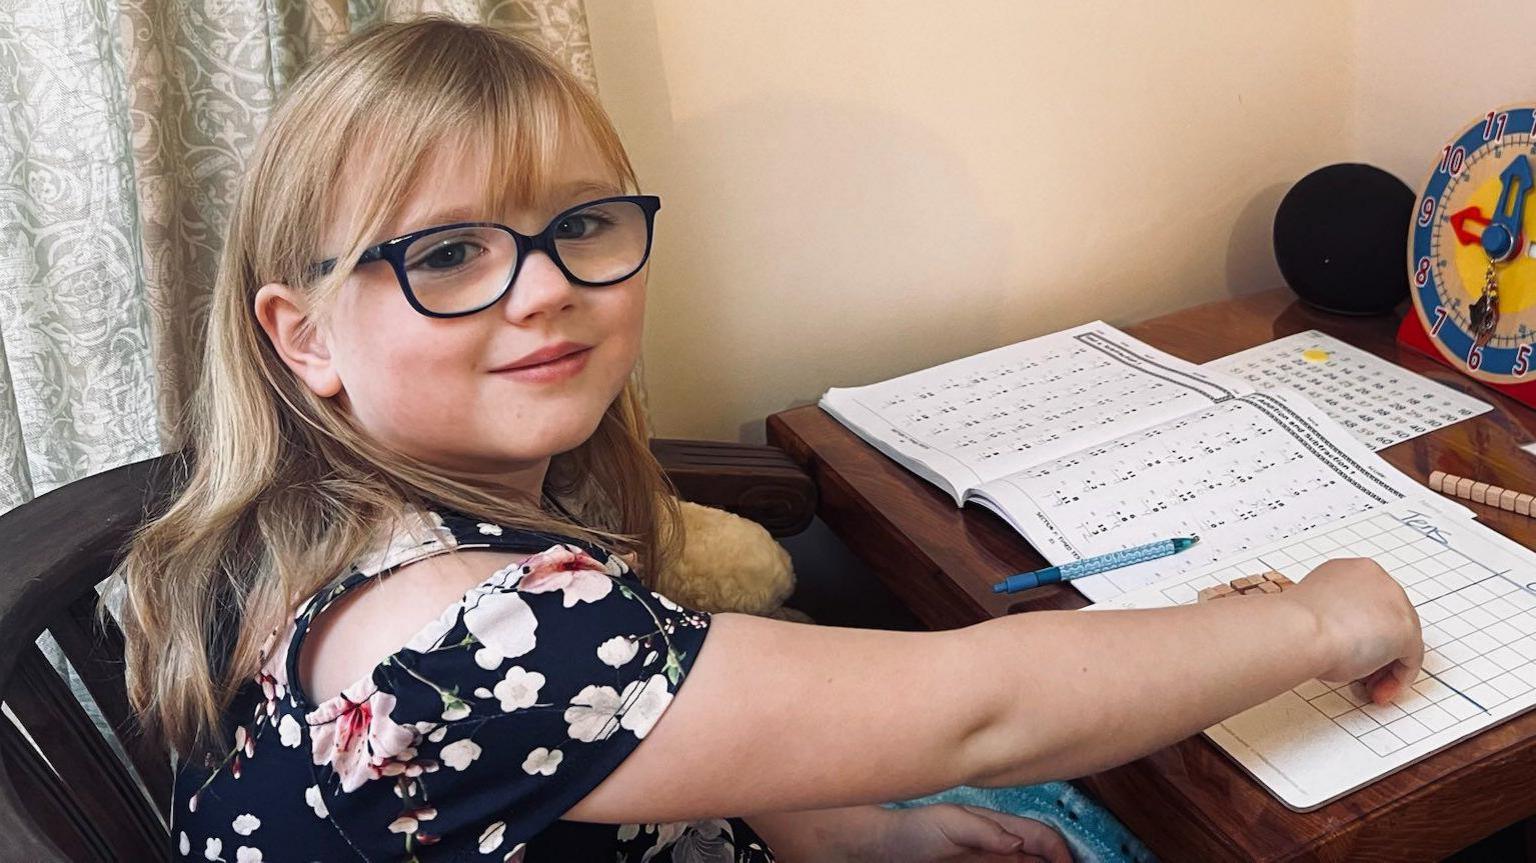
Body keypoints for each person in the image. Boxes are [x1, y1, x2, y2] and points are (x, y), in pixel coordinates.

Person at [114, 17, 1423, 863]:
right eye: (449, 252)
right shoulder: (472, 633)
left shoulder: (345, 518)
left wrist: (850, 833)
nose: (544, 285)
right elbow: (985, 713)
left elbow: (639, 731)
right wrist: (1321, 622)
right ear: (305, 338)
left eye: (581, 224)